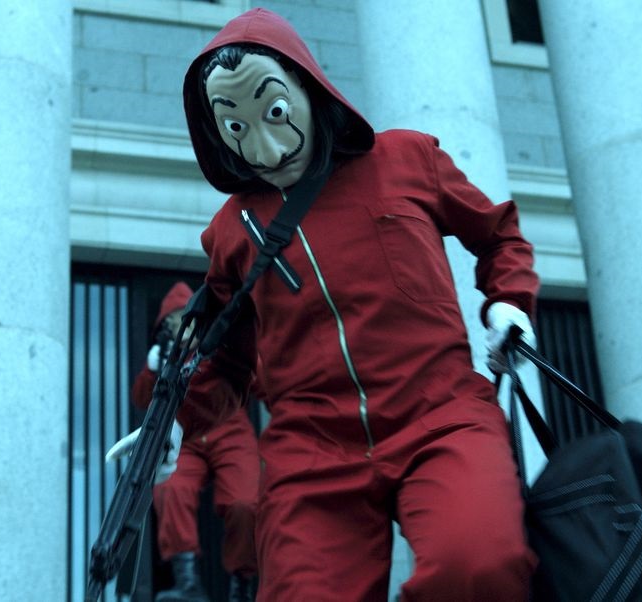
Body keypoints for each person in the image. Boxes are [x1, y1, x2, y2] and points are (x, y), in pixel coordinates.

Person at [113, 7, 541, 600]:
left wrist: (508, 303)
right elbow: (226, 361)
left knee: (478, 564)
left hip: (441, 413)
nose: (265, 150)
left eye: (274, 112)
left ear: (307, 86)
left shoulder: (407, 159)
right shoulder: (232, 232)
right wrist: (175, 416)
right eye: (235, 127)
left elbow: (498, 234)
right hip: (311, 450)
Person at [130, 282, 260, 602]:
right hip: (184, 437)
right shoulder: (165, 357)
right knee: (170, 489)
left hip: (229, 429)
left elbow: (257, 375)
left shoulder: (220, 342)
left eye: (183, 318)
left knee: (245, 501)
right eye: (172, 321)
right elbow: (141, 399)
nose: (180, 326)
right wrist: (152, 369)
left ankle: (243, 584)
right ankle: (187, 583)